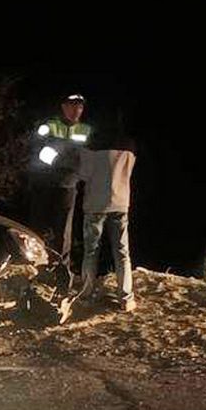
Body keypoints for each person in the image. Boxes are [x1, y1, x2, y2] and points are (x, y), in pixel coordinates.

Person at [28, 94, 93, 280]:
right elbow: (38, 152)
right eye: (72, 105)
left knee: (63, 231)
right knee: (37, 227)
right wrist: (66, 157)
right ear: (63, 106)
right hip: (44, 183)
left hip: (68, 186)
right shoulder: (49, 125)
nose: (76, 110)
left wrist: (60, 154)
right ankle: (33, 267)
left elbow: (85, 158)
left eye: (80, 107)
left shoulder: (86, 130)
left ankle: (62, 272)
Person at [74, 128, 137, 312]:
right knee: (122, 252)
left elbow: (83, 175)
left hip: (95, 205)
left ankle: (86, 293)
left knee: (91, 251)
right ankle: (126, 297)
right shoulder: (129, 147)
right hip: (120, 202)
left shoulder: (91, 146)